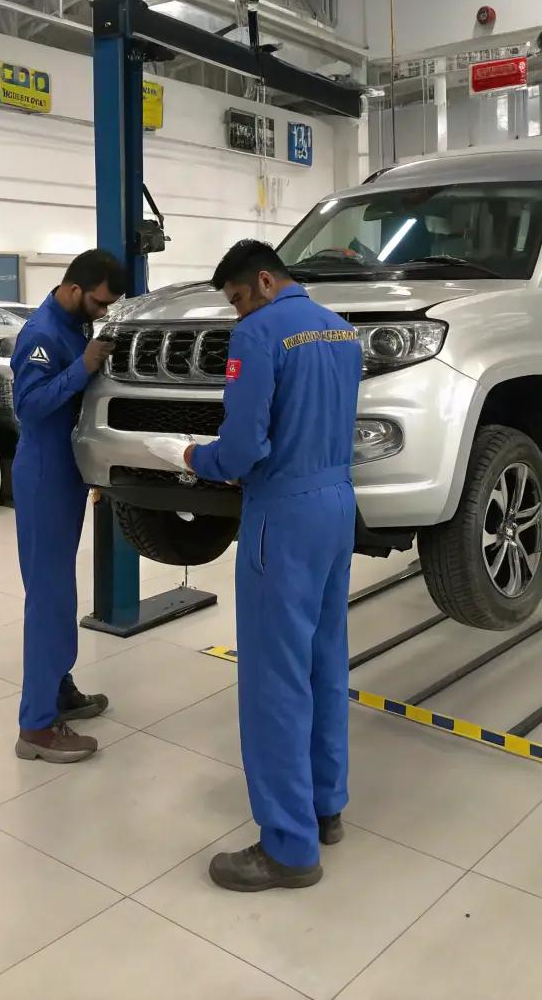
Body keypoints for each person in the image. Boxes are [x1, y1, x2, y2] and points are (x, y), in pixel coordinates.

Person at [185, 239, 363, 891]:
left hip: (281, 518)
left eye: (235, 298)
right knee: (323, 660)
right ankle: (325, 805)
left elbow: (241, 448)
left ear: (262, 281)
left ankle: (288, 846)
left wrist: (195, 461)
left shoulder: (258, 336)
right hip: (337, 505)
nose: (235, 313)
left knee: (274, 679)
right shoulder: (344, 333)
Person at [11, 248, 125, 764]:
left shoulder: (75, 326)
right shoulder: (40, 335)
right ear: (75, 289)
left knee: (60, 590)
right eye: (100, 302)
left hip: (68, 474)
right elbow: (28, 407)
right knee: (48, 600)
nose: (103, 311)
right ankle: (35, 728)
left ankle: (58, 690)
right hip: (43, 477)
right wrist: (81, 369)